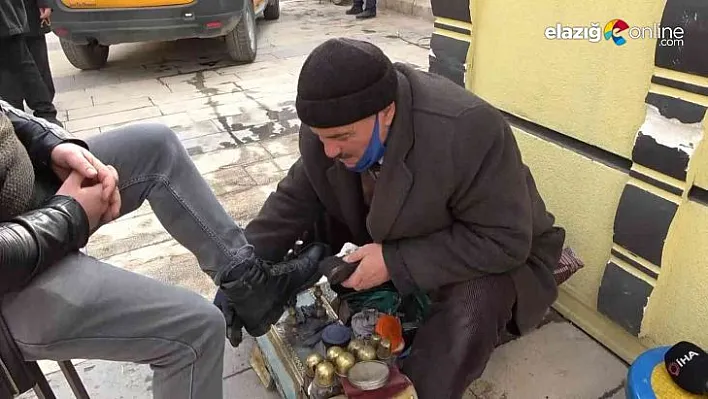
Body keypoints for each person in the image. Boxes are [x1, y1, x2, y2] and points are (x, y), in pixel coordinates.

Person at [243, 38, 566, 399]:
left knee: (475, 302)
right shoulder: (327, 130)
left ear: (387, 112)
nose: (329, 150)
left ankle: (416, 390)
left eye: (341, 137)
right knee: (317, 214)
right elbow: (294, 198)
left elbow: (505, 241)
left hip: (493, 246)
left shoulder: (468, 130)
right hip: (404, 226)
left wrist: (394, 262)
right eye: (321, 138)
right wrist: (241, 268)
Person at [0, 98, 325, 398]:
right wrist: (70, 214)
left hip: (30, 196)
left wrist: (53, 144)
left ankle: (250, 284)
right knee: (198, 330)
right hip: (12, 281)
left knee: (157, 146)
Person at [0, 0, 62, 126]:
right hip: (12, 18)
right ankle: (27, 117)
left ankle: (44, 115)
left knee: (25, 62)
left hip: (12, 18)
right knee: (15, 68)